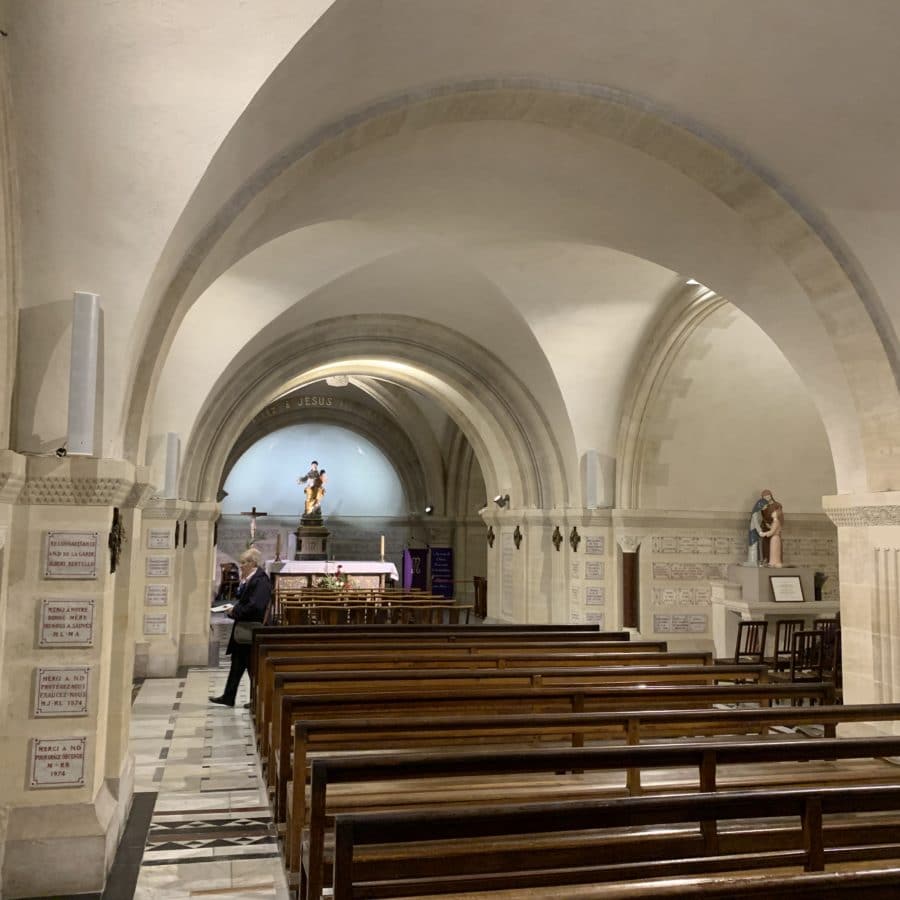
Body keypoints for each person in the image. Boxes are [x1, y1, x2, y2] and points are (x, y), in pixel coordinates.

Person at [210, 547, 272, 708]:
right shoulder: (252, 578)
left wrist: (234, 611)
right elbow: (244, 598)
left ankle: (258, 700)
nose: (241, 566)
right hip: (244, 630)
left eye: (243, 563)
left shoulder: (261, 580)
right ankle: (229, 697)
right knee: (238, 663)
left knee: (252, 668)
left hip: (251, 630)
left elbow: (256, 606)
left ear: (253, 563)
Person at [747, 489, 774, 565]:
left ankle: (756, 561)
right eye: (764, 506)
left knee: (757, 547)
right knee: (753, 547)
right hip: (753, 531)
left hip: (756, 532)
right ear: (760, 506)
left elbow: (761, 522)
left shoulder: (759, 513)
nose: (765, 508)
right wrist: (760, 532)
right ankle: (752, 561)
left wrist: (767, 525)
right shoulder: (755, 514)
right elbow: (756, 523)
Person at [759, 498, 785, 567]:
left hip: (775, 538)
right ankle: (774, 562)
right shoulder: (775, 522)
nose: (772, 513)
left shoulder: (776, 522)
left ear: (776, 515)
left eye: (774, 512)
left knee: (774, 552)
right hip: (775, 538)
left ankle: (774, 563)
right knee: (774, 552)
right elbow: (773, 529)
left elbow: (772, 532)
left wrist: (764, 534)